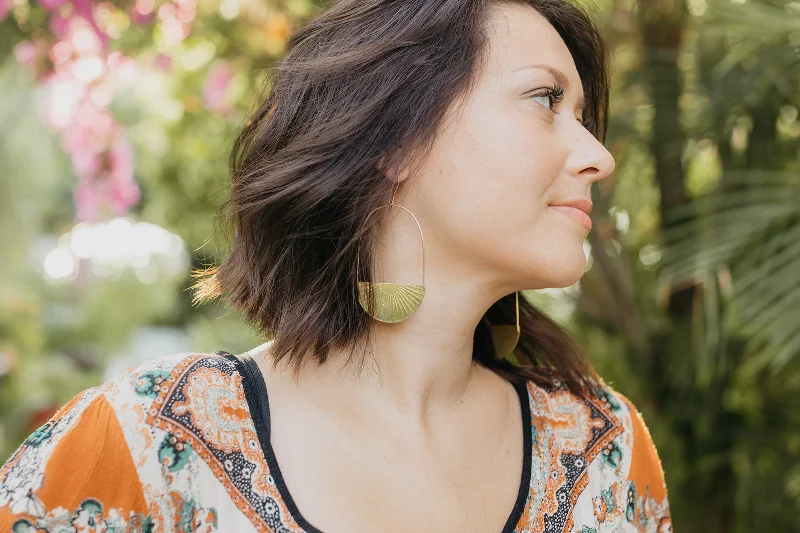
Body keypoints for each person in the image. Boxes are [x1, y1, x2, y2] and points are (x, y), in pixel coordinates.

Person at [0, 0, 672, 531]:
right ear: (399, 136)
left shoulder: (605, 455)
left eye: (583, 115)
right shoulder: (139, 451)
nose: (597, 155)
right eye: (546, 99)